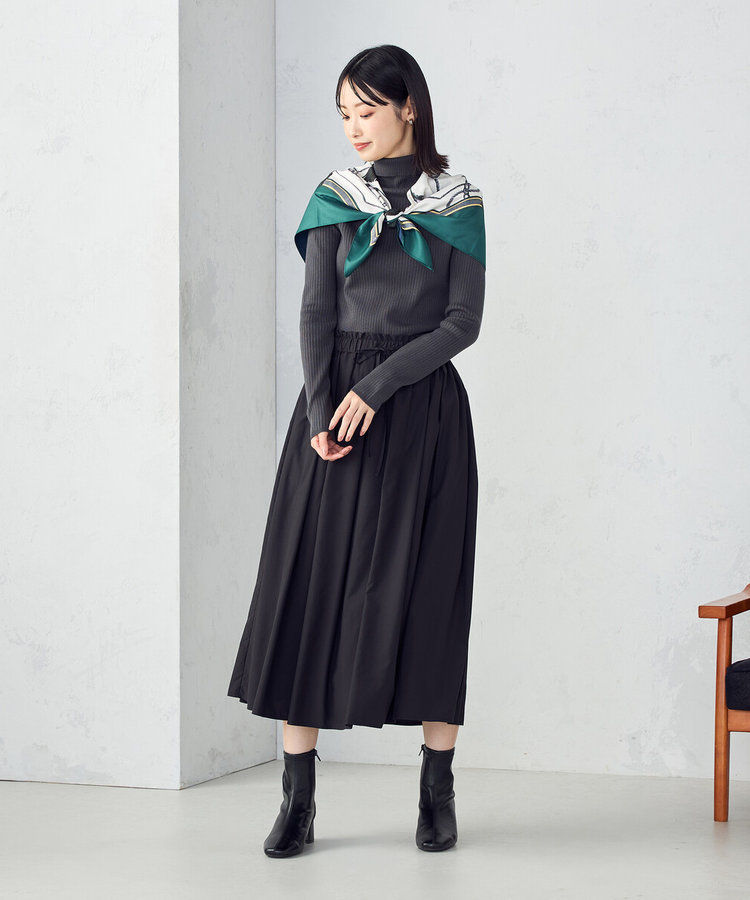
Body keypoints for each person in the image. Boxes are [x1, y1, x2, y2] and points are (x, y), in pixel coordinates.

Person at [227, 43, 486, 858]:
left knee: (432, 593)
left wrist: (377, 388)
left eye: (367, 110)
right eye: (344, 113)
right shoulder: (333, 198)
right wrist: (320, 411)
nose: (354, 127)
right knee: (308, 591)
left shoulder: (458, 201)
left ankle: (437, 791)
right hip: (331, 411)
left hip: (422, 413)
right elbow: (315, 313)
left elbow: (463, 323)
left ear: (410, 106)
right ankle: (297, 800)